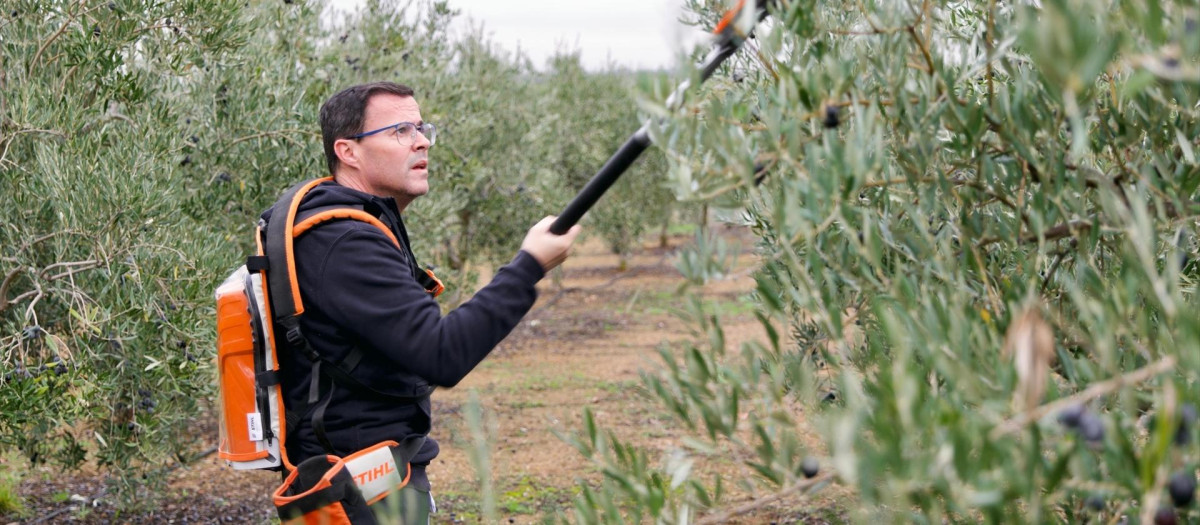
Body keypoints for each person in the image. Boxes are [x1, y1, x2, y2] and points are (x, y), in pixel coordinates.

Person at [265, 81, 581, 522]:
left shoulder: (352, 227)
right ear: (348, 151)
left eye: (421, 128)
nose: (422, 141)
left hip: (370, 479)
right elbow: (442, 354)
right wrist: (528, 266)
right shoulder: (345, 243)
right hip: (360, 493)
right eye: (400, 130)